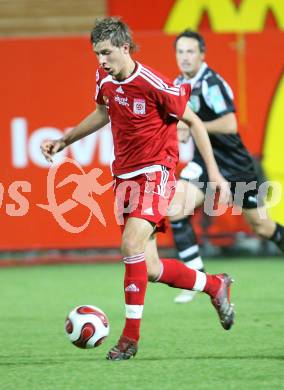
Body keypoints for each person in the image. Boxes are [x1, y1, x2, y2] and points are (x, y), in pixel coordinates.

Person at [41, 18, 235, 361]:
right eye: (97, 54)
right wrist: (64, 140)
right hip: (125, 178)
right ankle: (215, 285)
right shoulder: (104, 77)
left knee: (129, 243)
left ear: (125, 48)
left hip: (156, 173)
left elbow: (195, 123)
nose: (101, 60)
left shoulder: (154, 84)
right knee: (152, 267)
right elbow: (102, 112)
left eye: (106, 53)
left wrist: (216, 175)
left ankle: (130, 339)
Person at [169, 29, 284, 304]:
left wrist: (194, 126)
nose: (184, 57)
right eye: (180, 52)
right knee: (174, 208)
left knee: (261, 227)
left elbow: (230, 124)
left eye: (190, 52)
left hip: (235, 166)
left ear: (201, 55)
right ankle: (196, 280)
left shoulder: (211, 83)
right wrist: (179, 128)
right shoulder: (177, 83)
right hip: (204, 163)